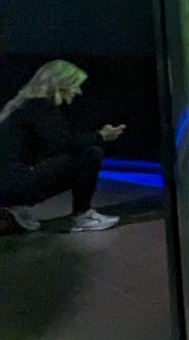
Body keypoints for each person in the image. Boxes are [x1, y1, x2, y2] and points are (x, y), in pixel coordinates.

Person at [0, 61, 125, 233]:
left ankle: (13, 209)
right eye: (75, 85)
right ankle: (83, 215)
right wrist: (101, 136)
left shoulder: (24, 106)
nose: (78, 91)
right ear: (60, 84)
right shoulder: (40, 105)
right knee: (89, 154)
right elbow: (62, 144)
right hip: (14, 185)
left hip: (7, 186)